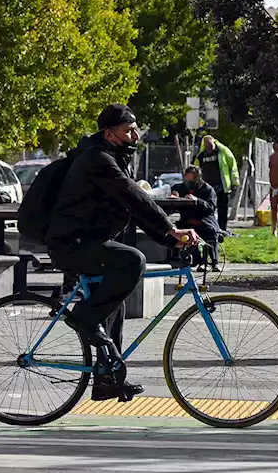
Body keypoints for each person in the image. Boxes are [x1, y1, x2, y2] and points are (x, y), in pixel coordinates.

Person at [47, 104, 199, 400]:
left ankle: (107, 380)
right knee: (132, 260)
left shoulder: (114, 157)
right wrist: (171, 229)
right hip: (72, 243)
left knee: (115, 303)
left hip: (87, 241)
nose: (136, 135)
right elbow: (133, 196)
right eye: (129, 130)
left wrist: (171, 239)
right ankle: (82, 317)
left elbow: (134, 207)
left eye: (135, 128)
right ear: (109, 133)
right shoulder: (98, 158)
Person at [171, 165, 222, 265]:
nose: (189, 183)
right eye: (187, 180)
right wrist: (174, 193)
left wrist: (197, 201)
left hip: (204, 219)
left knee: (210, 231)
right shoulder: (182, 187)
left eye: (191, 181)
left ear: (198, 179)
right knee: (175, 230)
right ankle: (189, 259)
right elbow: (175, 190)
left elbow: (211, 208)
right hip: (187, 220)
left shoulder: (208, 190)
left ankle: (213, 261)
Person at [196, 135, 239, 231]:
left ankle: (222, 230)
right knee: (207, 210)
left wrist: (234, 183)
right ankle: (209, 229)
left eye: (211, 147)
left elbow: (233, 167)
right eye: (207, 148)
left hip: (222, 186)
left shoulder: (223, 151)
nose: (209, 150)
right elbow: (196, 170)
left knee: (222, 210)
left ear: (214, 143)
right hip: (207, 188)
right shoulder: (201, 155)